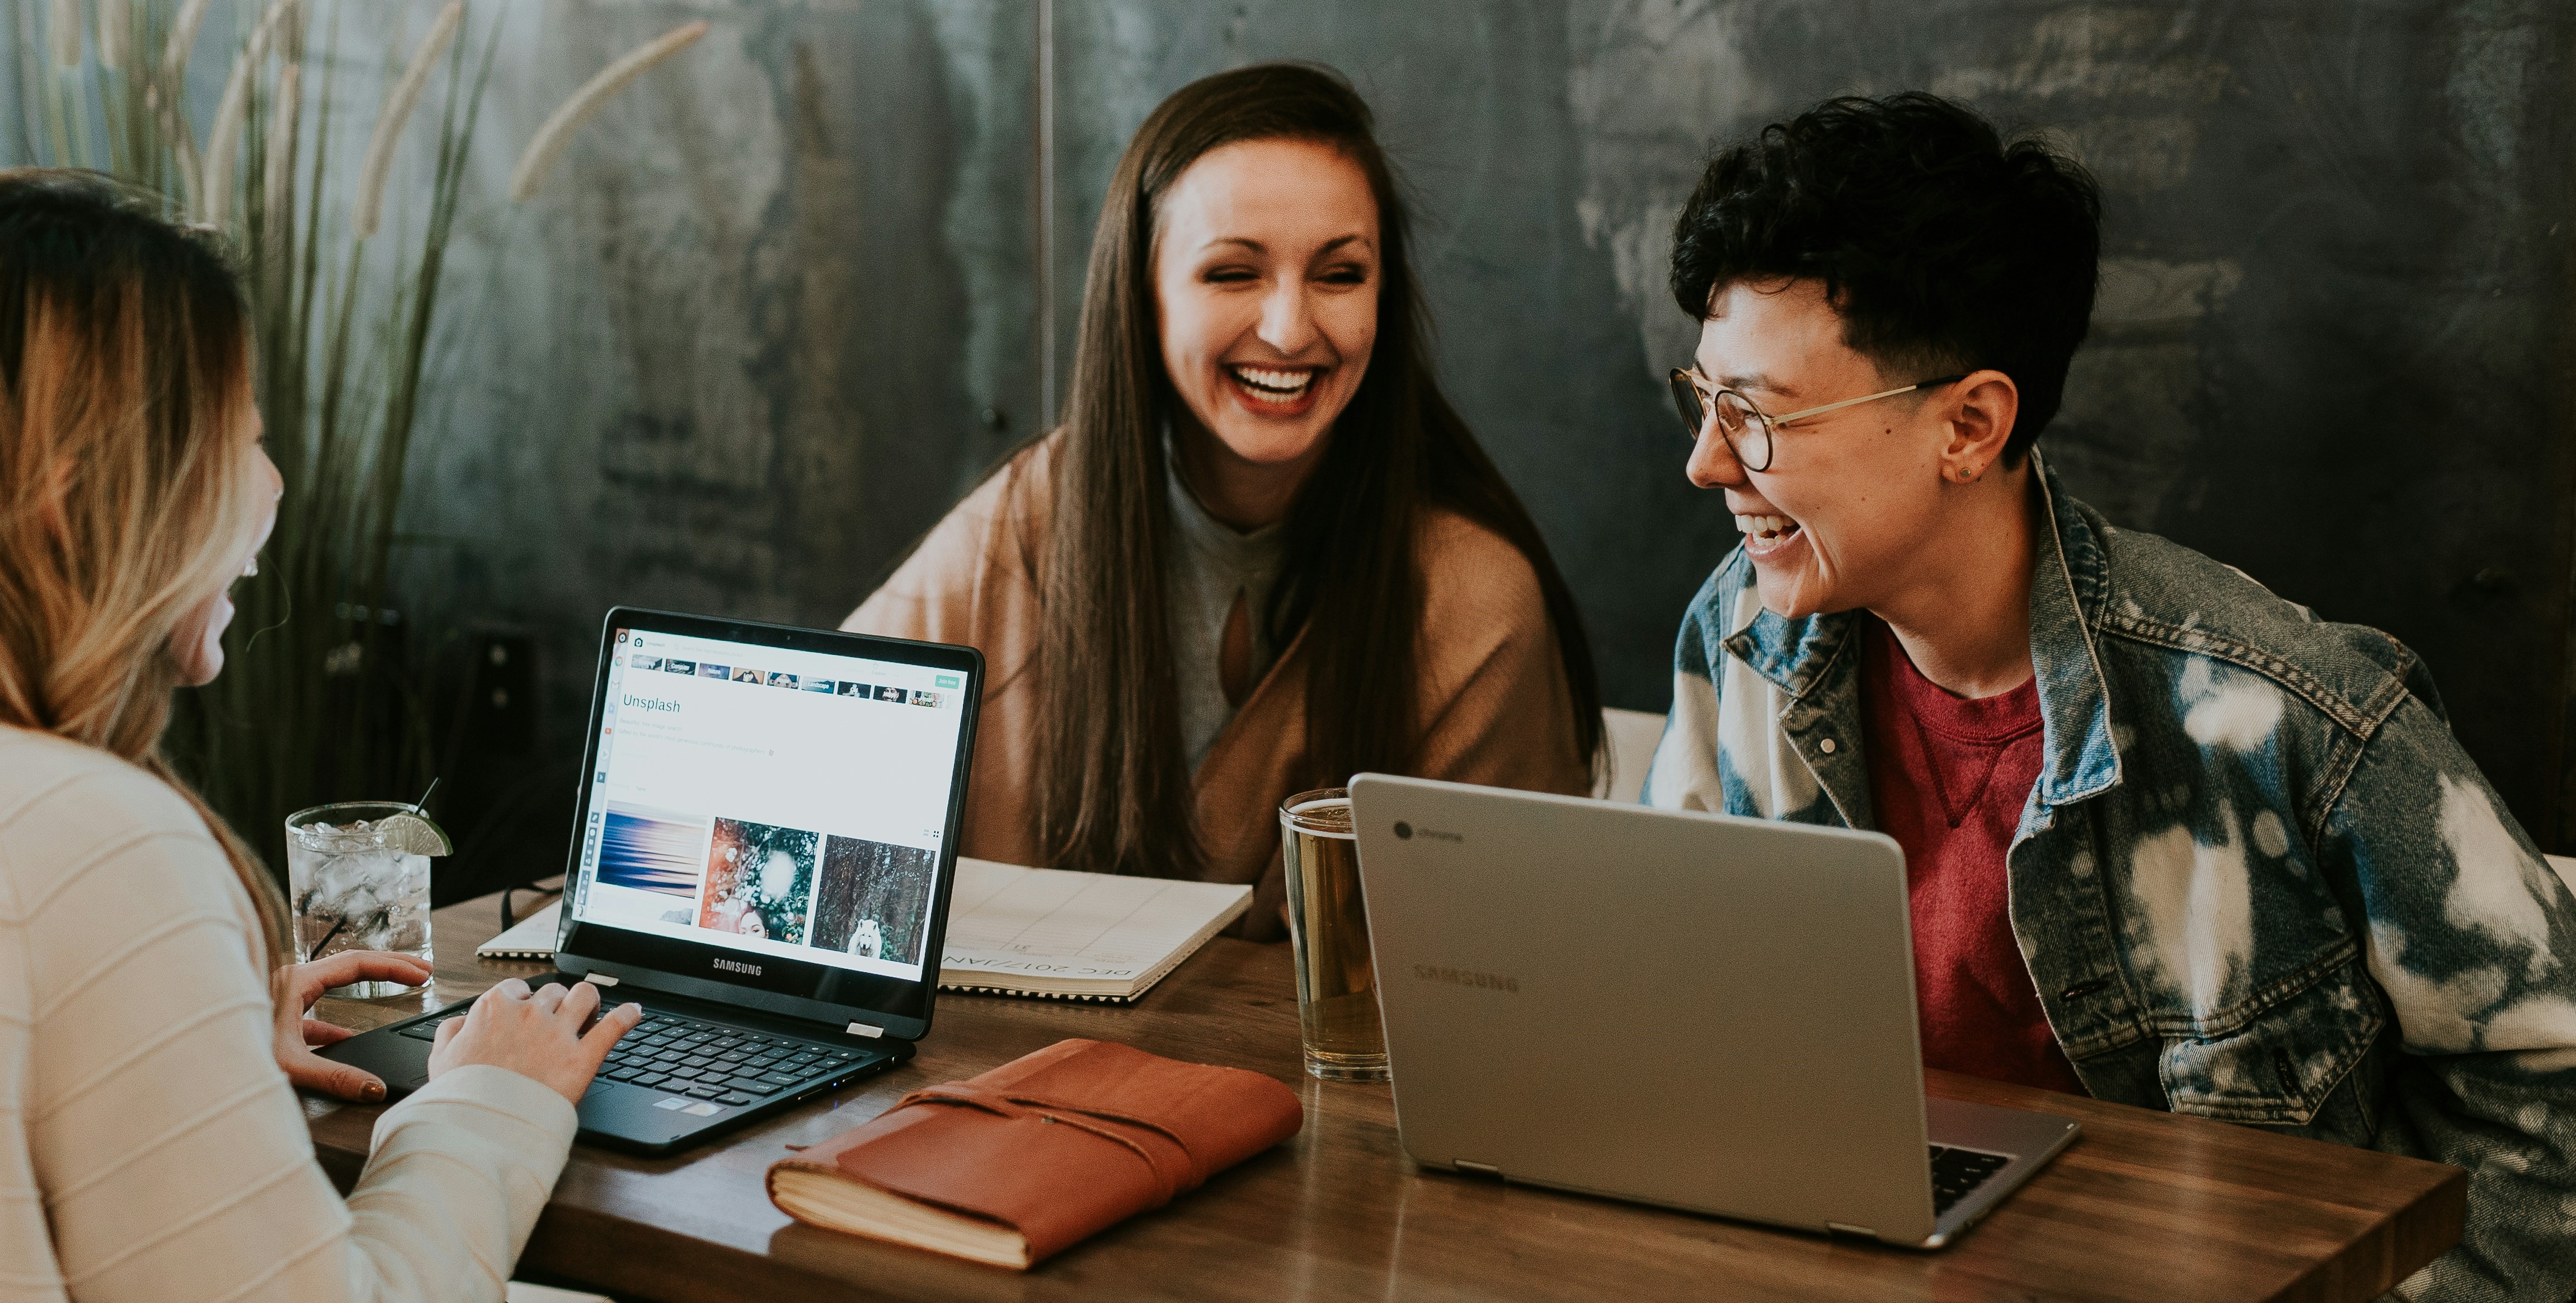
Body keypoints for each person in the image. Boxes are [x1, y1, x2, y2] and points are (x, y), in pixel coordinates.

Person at [1638, 93, 2576, 1300]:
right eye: (1703, 400)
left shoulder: (2285, 715)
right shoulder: (1742, 636)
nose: (1706, 462)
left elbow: (2554, 1096)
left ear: (1970, 425)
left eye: (1758, 416)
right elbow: (1671, 1026)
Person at [0, 171, 640, 1302]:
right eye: (238, 439)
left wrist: (180, 1052)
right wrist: (491, 1099)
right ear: (81, 500)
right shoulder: (90, 842)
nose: (270, 487)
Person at [848, 64, 1597, 939]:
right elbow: (808, 762)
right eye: (1233, 273)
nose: (1289, 328)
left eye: (1340, 274)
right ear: (1143, 296)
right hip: (1004, 1074)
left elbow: (1503, 976)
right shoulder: (1023, 523)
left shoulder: (1475, 602)